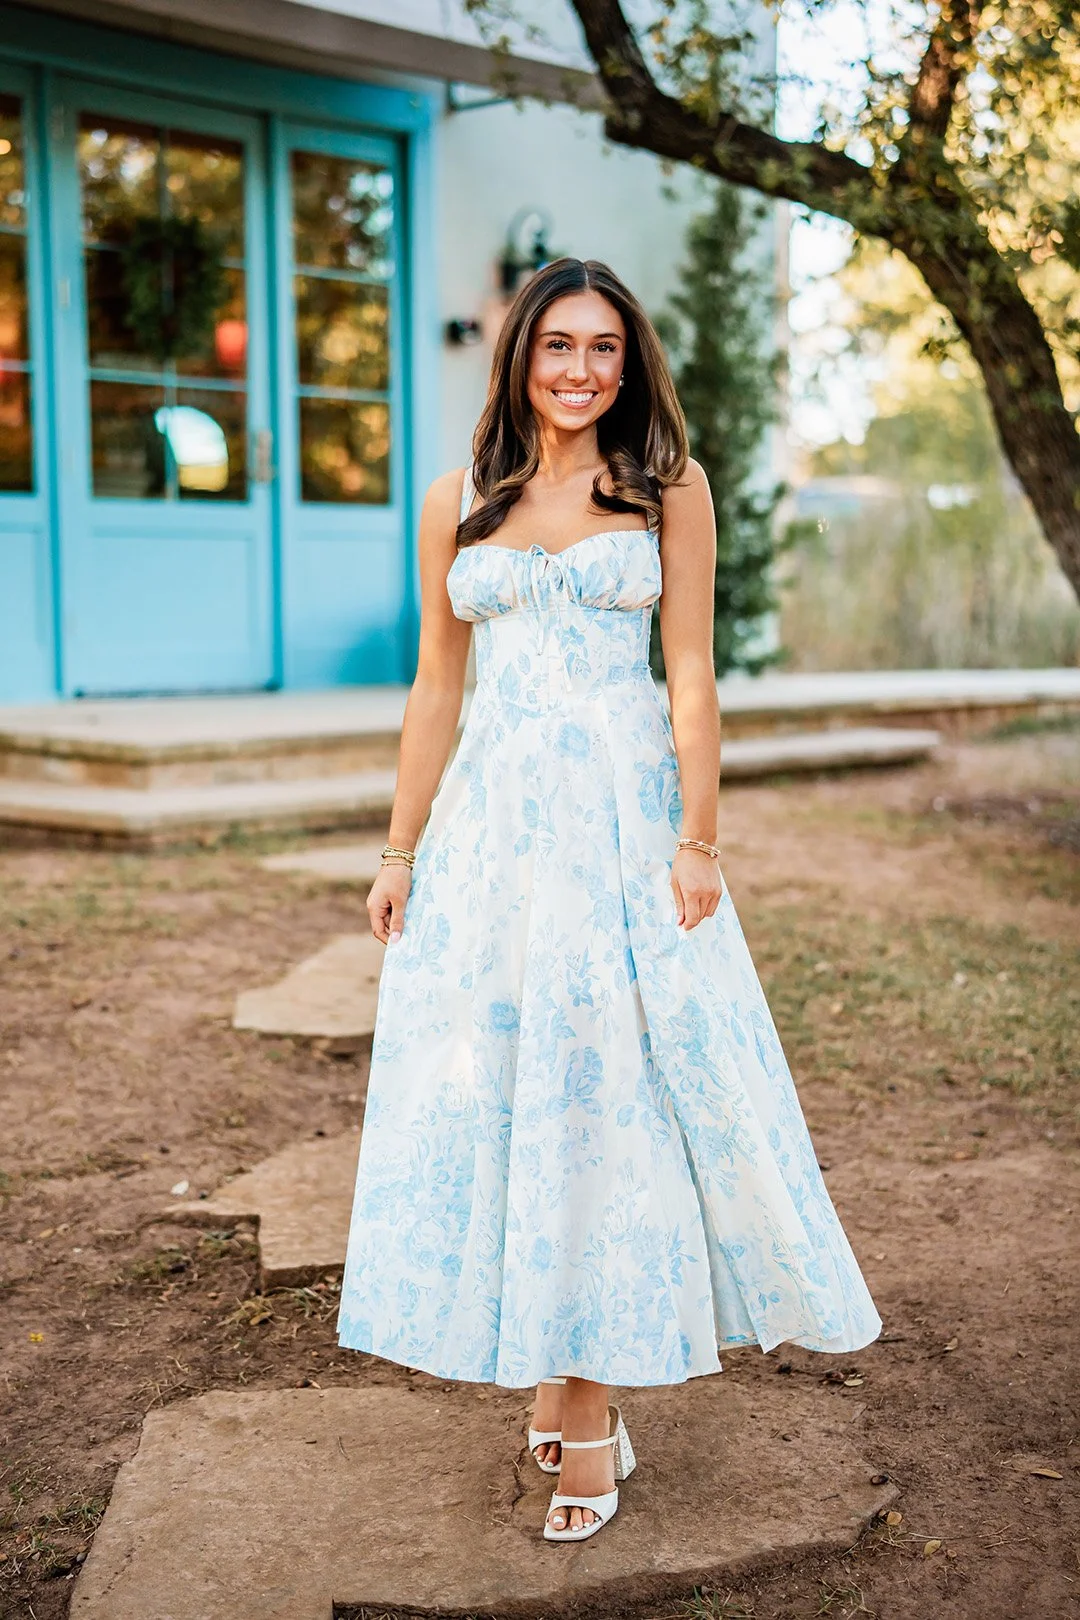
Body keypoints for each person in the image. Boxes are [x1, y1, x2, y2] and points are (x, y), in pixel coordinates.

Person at [336, 257, 882, 1543]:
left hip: (625, 832)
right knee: (510, 1091)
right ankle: (553, 1361)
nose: (581, 371)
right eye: (558, 347)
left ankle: (586, 1408)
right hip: (493, 842)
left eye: (605, 350)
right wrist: (399, 852)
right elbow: (435, 690)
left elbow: (690, 673)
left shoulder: (667, 490)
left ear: (629, 366)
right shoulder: (456, 499)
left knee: (606, 1099)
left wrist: (700, 839)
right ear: (519, 356)